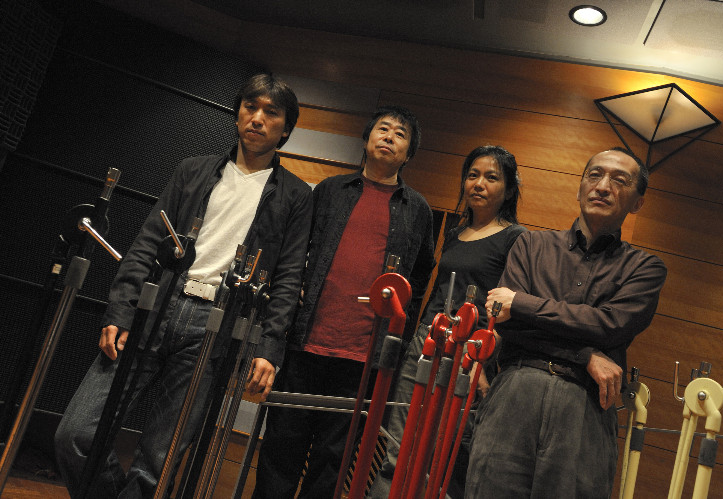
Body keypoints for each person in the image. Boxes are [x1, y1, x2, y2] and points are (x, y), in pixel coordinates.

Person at [54, 73, 313, 498]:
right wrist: (121, 309)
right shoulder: (192, 169)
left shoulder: (296, 195)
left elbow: (288, 277)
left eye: (271, 112)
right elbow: (147, 243)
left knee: (158, 462)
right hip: (157, 306)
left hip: (217, 325)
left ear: (286, 129)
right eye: (250, 107)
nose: (257, 118)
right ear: (237, 114)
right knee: (75, 434)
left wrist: (269, 347)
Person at [252, 105, 435, 499]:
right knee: (281, 447)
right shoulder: (330, 190)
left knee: (332, 462)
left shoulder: (418, 209)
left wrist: (399, 332)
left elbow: (419, 277)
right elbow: (297, 250)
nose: (389, 137)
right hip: (306, 343)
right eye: (383, 129)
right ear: (366, 139)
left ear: (409, 154)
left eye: (400, 134)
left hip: (364, 357)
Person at [465, 147, 668, 498]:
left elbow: (609, 325)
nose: (602, 186)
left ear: (637, 203)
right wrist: (586, 355)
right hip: (515, 392)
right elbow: (505, 321)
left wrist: (523, 304)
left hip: (584, 406)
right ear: (580, 187)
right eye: (594, 175)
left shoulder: (645, 268)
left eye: (619, 180)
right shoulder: (531, 245)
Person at [368, 145, 527, 498]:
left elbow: (505, 308)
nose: (479, 184)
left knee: (438, 457)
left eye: (491, 177)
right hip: (427, 341)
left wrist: (481, 361)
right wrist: (416, 341)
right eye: (472, 175)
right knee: (397, 447)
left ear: (509, 190)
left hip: (468, 352)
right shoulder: (455, 233)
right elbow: (438, 292)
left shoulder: (516, 237)